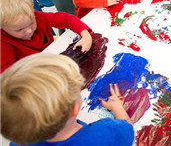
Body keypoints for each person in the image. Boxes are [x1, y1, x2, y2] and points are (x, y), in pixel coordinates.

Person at [1, 53, 134, 145]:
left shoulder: (19, 141)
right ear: (74, 108)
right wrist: (117, 107)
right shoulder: (105, 133)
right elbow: (128, 130)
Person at [0, 0, 93, 73]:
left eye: (31, 23)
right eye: (19, 29)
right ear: (2, 27)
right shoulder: (3, 44)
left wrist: (85, 35)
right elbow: (6, 76)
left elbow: (67, 19)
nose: (29, 31)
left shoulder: (38, 17)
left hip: (57, 60)